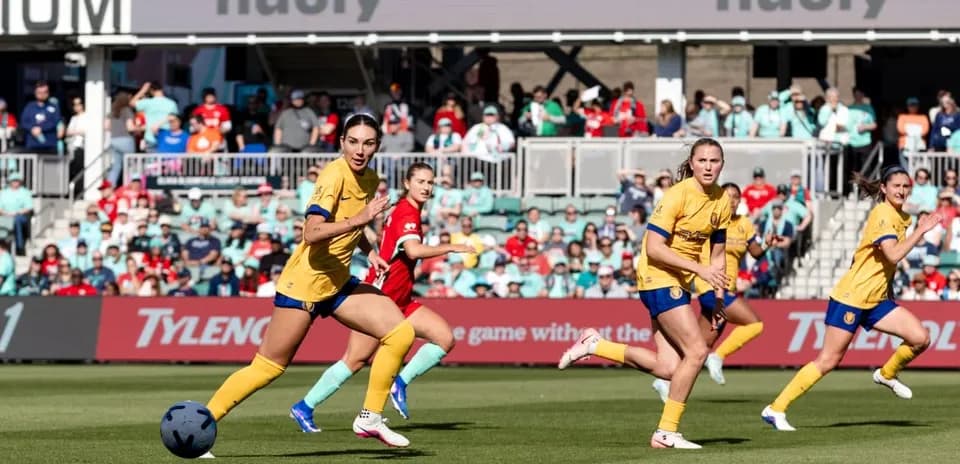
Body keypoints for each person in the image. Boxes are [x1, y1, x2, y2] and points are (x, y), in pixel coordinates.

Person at [202, 114, 415, 456]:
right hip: (303, 285)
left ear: (377, 146)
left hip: (337, 282)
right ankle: (202, 423)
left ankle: (370, 417)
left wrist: (369, 250)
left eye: (369, 143)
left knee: (400, 333)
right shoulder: (333, 176)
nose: (360, 150)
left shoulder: (371, 178)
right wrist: (361, 219)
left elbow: (349, 226)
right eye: (354, 142)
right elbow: (312, 232)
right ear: (342, 142)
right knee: (268, 368)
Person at [558, 138, 732, 449]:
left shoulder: (721, 201)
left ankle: (596, 345)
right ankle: (666, 431)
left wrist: (718, 295)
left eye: (714, 161)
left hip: (680, 280)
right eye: (702, 160)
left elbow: (718, 255)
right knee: (696, 352)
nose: (708, 166)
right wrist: (700, 268)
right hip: (657, 276)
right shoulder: (677, 195)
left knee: (668, 368)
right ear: (691, 163)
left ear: (722, 164)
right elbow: (654, 247)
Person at [291, 162, 475, 431]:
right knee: (354, 360)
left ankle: (399, 383)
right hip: (380, 298)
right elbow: (412, 251)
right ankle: (304, 406)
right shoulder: (405, 213)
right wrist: (453, 247)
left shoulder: (409, 211)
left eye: (430, 182)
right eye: (421, 181)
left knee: (445, 338)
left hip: (400, 299)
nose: (426, 187)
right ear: (406, 183)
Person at [762, 165, 941, 431]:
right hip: (852, 297)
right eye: (896, 186)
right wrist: (921, 230)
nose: (902, 191)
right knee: (829, 360)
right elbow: (892, 255)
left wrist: (887, 285)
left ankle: (886, 374)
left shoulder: (900, 216)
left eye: (906, 186)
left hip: (877, 299)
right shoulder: (883, 213)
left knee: (920, 338)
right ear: (884, 188)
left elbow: (877, 260)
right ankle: (775, 409)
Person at [650, 183, 777, 400]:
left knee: (699, 346)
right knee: (755, 323)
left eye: (737, 197)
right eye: (729, 196)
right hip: (709, 286)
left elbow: (754, 252)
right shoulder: (711, 219)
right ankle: (718, 357)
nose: (733, 200)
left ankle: (663, 380)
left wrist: (765, 245)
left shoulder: (744, 224)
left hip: (728, 288)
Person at [130, 81, 178, 151]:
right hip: (167, 137)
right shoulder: (172, 103)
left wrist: (142, 90)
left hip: (150, 137)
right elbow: (175, 119)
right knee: (166, 161)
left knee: (151, 161)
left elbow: (132, 103)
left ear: (151, 91)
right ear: (162, 89)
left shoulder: (148, 102)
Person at [20, 81, 61, 154]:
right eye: (39, 92)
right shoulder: (29, 107)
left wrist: (41, 128)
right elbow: (24, 122)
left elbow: (55, 121)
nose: (42, 94)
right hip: (32, 145)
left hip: (49, 145)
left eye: (45, 92)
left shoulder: (54, 106)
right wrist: (32, 128)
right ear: (35, 93)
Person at [0, 173, 34, 255]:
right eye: (13, 181)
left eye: (17, 181)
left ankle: (20, 247)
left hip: (20, 216)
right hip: (5, 216)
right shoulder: (3, 192)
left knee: (17, 221)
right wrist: (6, 213)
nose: (15, 182)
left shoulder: (25, 192)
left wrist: (17, 212)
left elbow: (29, 207)